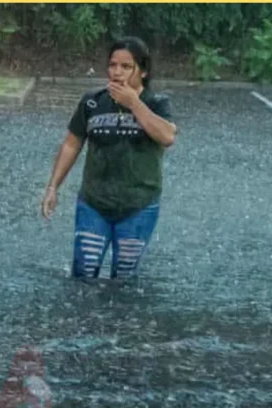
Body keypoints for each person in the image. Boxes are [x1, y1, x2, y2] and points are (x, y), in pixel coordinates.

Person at [41, 36, 177, 280]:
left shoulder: (156, 103)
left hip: (139, 206)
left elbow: (167, 136)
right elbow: (72, 145)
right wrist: (53, 187)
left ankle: (119, 320)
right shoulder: (93, 101)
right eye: (113, 65)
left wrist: (134, 103)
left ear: (143, 71)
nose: (117, 73)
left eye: (126, 67)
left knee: (123, 279)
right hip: (94, 203)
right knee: (83, 274)